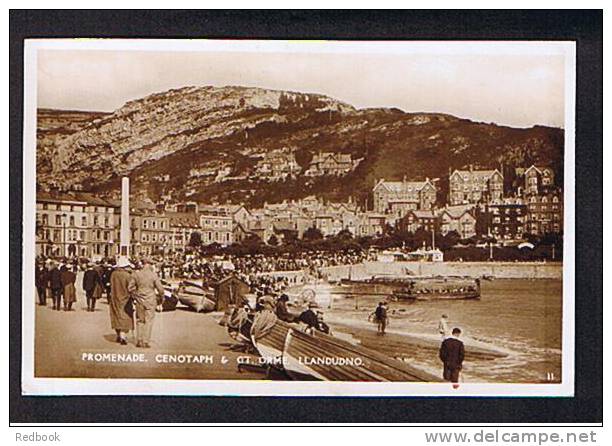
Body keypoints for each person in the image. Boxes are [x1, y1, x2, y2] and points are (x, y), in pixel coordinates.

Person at [128, 258, 165, 348]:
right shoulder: (153, 275)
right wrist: (161, 297)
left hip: (139, 300)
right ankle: (145, 341)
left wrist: (135, 295)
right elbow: (160, 289)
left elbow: (130, 288)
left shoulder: (136, 274)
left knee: (140, 320)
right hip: (151, 300)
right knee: (149, 321)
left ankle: (139, 340)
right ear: (149, 265)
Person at [109, 257, 134, 345]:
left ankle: (118, 335)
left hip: (114, 298)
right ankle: (123, 336)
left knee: (116, 316)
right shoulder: (128, 275)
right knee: (125, 317)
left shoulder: (113, 274)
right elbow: (131, 288)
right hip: (125, 298)